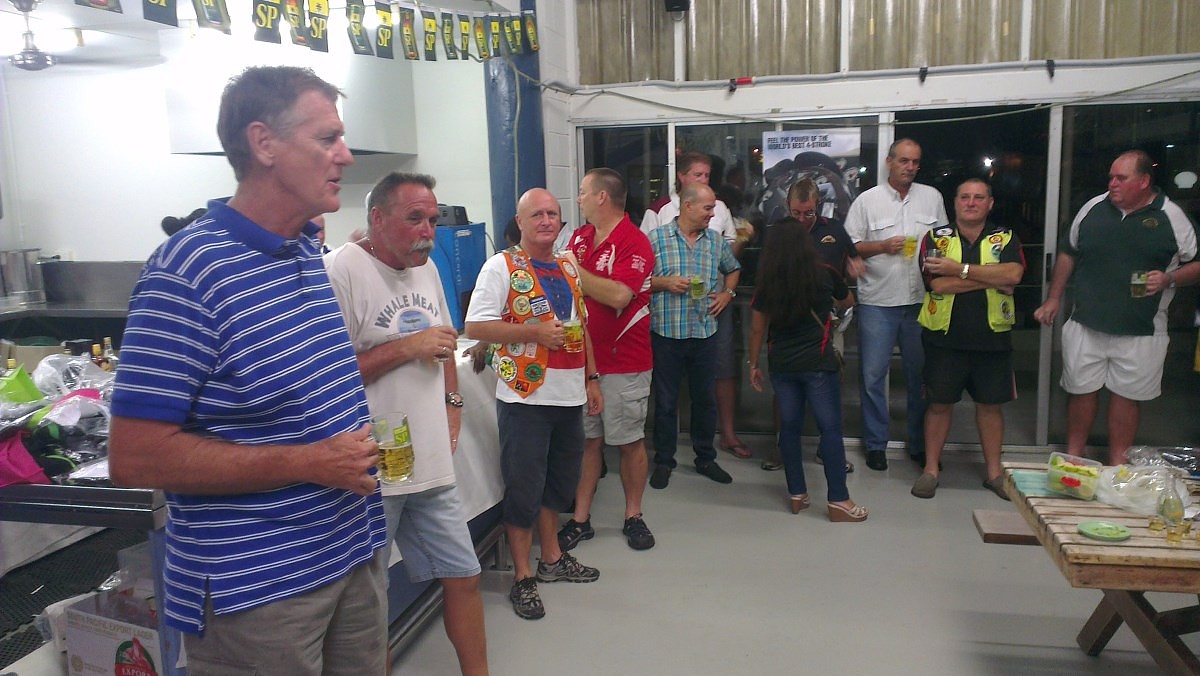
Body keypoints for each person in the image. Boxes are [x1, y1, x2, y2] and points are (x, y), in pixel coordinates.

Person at [108, 66, 388, 675]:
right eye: (327, 139)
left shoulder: (303, 251)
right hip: (262, 588)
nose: (345, 155)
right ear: (264, 144)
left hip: (353, 550)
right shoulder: (187, 272)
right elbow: (134, 458)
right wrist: (306, 462)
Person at [324, 171, 488, 675]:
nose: (427, 232)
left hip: (429, 463)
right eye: (415, 219)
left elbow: (443, 341)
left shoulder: (427, 268)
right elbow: (328, 375)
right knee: (369, 606)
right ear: (377, 218)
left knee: (464, 576)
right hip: (373, 468)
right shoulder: (342, 270)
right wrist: (405, 348)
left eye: (433, 221)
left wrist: (453, 402)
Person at [465, 188, 603, 621]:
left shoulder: (568, 265)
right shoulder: (500, 266)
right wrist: (533, 333)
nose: (546, 220)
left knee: (559, 484)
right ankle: (523, 575)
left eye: (553, 214)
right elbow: (475, 326)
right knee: (524, 487)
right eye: (537, 214)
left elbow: (582, 326)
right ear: (520, 222)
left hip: (570, 394)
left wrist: (592, 378)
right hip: (526, 397)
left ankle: (552, 558)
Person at [1034, 150, 1200, 465]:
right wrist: (1054, 298)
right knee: (1081, 391)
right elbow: (1068, 253)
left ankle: (1117, 465)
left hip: (1142, 328)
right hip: (1086, 322)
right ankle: (1074, 457)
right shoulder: (1092, 208)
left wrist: (1169, 278)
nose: (1112, 183)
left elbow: (1196, 264)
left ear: (1144, 181)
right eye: (1111, 177)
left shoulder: (1172, 216)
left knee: (1126, 398)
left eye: (1121, 178)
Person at [558, 168, 655, 553]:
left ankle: (634, 515)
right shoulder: (580, 238)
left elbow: (618, 296)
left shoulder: (635, 242)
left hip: (625, 362)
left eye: (583, 192)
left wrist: (573, 271)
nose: (578, 199)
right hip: (584, 364)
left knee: (629, 441)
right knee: (588, 442)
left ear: (602, 197)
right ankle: (581, 519)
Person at [910, 179, 1026, 500]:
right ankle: (930, 471)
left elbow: (1014, 275)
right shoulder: (936, 238)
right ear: (955, 202)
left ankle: (994, 474)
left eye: (978, 197)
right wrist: (990, 277)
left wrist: (958, 270)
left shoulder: (1006, 237)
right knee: (938, 406)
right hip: (944, 340)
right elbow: (938, 285)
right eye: (965, 197)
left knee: (990, 407)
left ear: (990, 203)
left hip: (992, 340)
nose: (971, 203)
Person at [747, 217, 868, 522]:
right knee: (830, 429)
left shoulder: (767, 283)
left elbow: (757, 329)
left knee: (788, 428)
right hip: (818, 362)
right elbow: (848, 301)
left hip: (782, 363)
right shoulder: (824, 273)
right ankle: (839, 499)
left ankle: (797, 494)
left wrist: (753, 364)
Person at [844, 138, 949, 471]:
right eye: (904, 161)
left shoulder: (932, 197)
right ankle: (876, 444)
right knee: (873, 376)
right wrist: (882, 246)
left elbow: (944, 241)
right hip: (878, 301)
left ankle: (919, 445)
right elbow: (849, 246)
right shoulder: (867, 201)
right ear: (889, 162)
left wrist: (939, 258)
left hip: (921, 301)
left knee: (920, 377)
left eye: (915, 162)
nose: (910, 167)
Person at [642, 151, 754, 459]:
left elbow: (733, 268)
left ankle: (705, 457)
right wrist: (665, 283)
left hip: (704, 331)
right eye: (707, 208)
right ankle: (664, 460)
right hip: (666, 333)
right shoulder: (655, 239)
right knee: (666, 401)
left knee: (704, 400)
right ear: (687, 206)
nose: (712, 214)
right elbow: (637, 281)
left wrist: (727, 294)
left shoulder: (714, 241)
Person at [761, 178, 865, 473]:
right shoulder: (778, 233)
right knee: (783, 391)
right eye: (796, 213)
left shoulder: (834, 230)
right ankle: (782, 448)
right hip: (785, 324)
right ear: (787, 206)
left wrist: (855, 269)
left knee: (830, 387)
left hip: (826, 323)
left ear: (818, 205)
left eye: (808, 212)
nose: (802, 219)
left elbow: (853, 262)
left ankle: (828, 450)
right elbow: (765, 277)